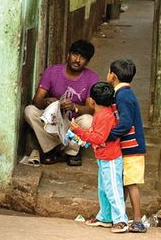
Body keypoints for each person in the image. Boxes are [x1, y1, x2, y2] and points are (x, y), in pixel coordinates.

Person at [24, 40, 98, 166]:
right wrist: (46, 101)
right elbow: (36, 101)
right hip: (52, 121)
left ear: (87, 62)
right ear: (68, 55)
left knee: (88, 120)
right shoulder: (52, 71)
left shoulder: (92, 77)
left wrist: (75, 107)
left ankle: (71, 152)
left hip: (73, 123)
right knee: (29, 110)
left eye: (83, 58)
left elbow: (90, 108)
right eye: (75, 54)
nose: (77, 60)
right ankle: (52, 149)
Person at [71, 82, 129, 233]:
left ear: (91, 101)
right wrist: (81, 136)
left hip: (110, 158)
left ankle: (121, 220)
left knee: (113, 189)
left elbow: (98, 138)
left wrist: (79, 131)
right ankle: (105, 217)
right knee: (104, 189)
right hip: (104, 157)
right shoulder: (103, 114)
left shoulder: (104, 116)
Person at [106, 59, 147, 234]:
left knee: (131, 183)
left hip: (132, 148)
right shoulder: (123, 93)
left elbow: (125, 123)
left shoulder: (123, 95)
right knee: (123, 182)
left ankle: (138, 220)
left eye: (108, 72)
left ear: (113, 76)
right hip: (128, 147)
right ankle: (119, 217)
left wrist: (109, 136)